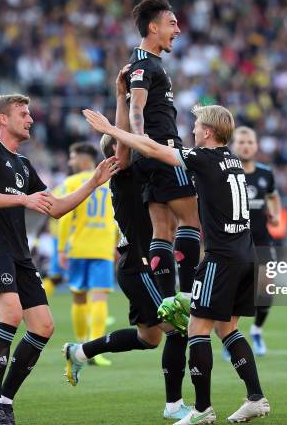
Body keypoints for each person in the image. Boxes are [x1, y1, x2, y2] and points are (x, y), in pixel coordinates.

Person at [83, 104, 270, 424]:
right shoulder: (234, 161)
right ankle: (255, 397)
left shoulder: (205, 158)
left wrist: (111, 130)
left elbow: (155, 149)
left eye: (197, 126)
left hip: (221, 259)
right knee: (228, 329)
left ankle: (202, 410)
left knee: (196, 330)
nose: (193, 131)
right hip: (246, 256)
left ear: (209, 132)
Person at [0, 93, 117, 425]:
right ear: (3, 119)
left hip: (19, 254)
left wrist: (94, 181)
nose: (31, 119)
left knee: (44, 326)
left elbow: (57, 208)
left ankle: (4, 401)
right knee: (11, 314)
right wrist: (23, 199)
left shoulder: (23, 165)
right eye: (23, 113)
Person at [63, 67, 191, 420]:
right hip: (140, 266)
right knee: (178, 327)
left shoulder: (139, 174)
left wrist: (123, 97)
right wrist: (122, 100)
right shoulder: (125, 173)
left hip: (135, 266)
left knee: (150, 338)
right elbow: (126, 141)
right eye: (125, 144)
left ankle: (80, 352)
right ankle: (174, 407)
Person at [126, 0, 201, 303]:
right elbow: (137, 108)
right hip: (162, 150)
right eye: (172, 23)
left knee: (163, 229)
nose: (178, 30)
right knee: (192, 220)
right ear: (153, 27)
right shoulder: (143, 65)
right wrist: (142, 139)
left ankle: (168, 301)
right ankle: (188, 296)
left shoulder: (149, 63)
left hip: (147, 155)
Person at [57, 142, 117, 366]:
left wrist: (62, 248)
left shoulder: (71, 183)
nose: (71, 161)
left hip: (79, 248)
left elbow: (64, 218)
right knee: (100, 297)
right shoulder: (110, 182)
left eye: (73, 157)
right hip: (103, 248)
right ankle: (95, 350)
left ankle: (81, 345)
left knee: (79, 297)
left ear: (84, 158)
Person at [232, 126, 281, 357]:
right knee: (233, 290)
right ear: (233, 145)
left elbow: (273, 195)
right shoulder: (228, 172)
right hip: (233, 240)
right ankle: (231, 337)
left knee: (267, 286)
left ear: (256, 145)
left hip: (261, 239)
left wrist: (276, 213)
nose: (245, 146)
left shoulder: (265, 173)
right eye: (241, 142)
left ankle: (257, 330)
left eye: (249, 142)